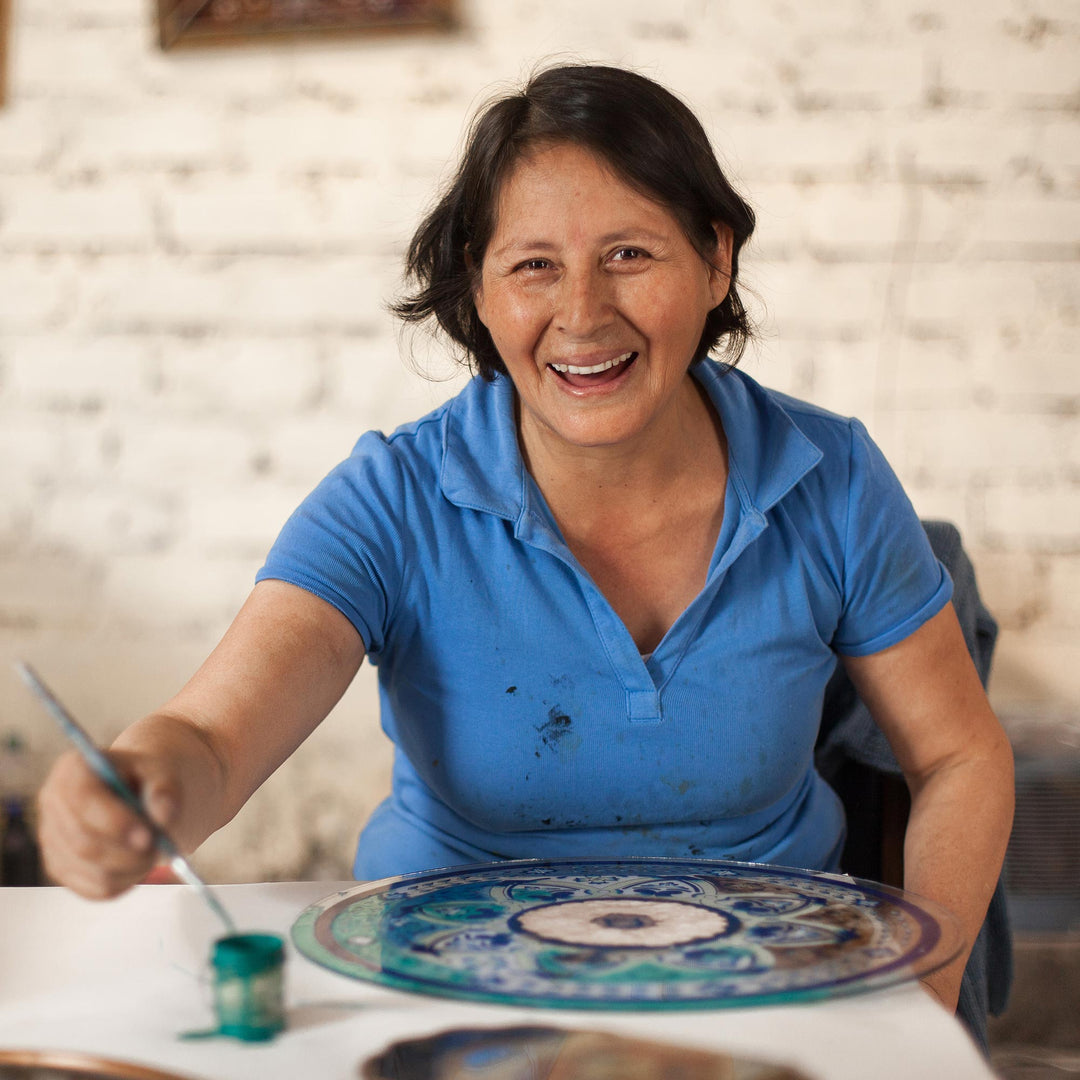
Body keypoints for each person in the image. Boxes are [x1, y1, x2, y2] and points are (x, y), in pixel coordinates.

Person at [37, 63, 1013, 1017]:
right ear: (480, 287)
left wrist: (912, 1007)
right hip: (449, 1003)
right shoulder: (395, 499)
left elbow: (959, 757)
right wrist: (138, 789)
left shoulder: (830, 478)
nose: (581, 317)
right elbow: (210, 740)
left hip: (762, 996)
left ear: (716, 258)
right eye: (534, 266)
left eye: (629, 254)